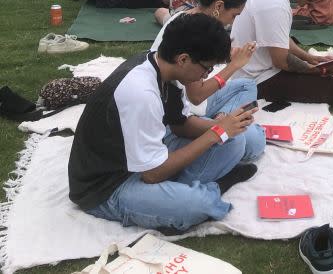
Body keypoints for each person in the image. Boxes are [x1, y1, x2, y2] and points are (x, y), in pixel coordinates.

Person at [67, 13, 261, 233]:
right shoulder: (141, 92)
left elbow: (180, 125)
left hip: (142, 158)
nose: (205, 76)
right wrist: (215, 133)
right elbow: (152, 175)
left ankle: (176, 195)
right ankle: (201, 193)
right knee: (196, 206)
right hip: (107, 184)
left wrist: (227, 127)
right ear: (183, 59)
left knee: (235, 142)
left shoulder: (164, 69)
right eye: (206, 69)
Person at [151, 0, 262, 154]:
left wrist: (227, 57)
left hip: (187, 106)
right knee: (252, 143)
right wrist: (234, 65)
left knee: (247, 85)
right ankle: (223, 124)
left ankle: (223, 118)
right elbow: (196, 96)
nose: (232, 22)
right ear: (218, 7)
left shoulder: (189, 18)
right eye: (234, 15)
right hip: (180, 117)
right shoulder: (195, 32)